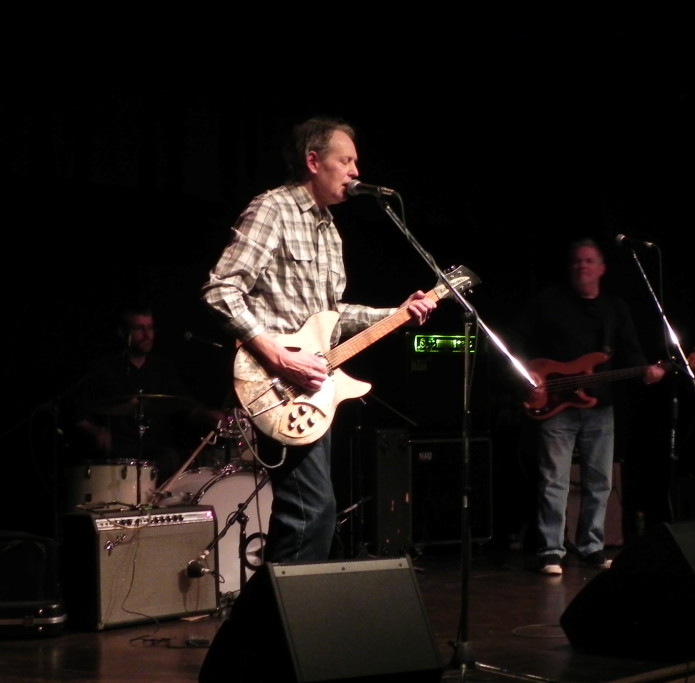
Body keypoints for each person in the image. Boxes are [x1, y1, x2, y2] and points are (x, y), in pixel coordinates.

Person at [199, 115, 436, 566]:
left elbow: (333, 315)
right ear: (313, 161)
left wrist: (397, 314)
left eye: (356, 163)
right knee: (311, 513)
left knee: (309, 515)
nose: (355, 172)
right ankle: (280, 610)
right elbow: (221, 290)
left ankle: (272, 609)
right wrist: (277, 356)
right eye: (345, 161)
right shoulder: (272, 209)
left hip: (311, 390)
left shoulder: (330, 230)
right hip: (275, 382)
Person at [514, 238, 665, 575]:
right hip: (555, 403)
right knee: (554, 479)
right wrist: (528, 375)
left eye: (589, 261)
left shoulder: (615, 308)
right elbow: (516, 340)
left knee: (600, 480)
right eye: (576, 260)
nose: (582, 266)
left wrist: (648, 371)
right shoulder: (548, 301)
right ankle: (551, 551)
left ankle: (591, 546)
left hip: (600, 406)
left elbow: (630, 349)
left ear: (602, 269)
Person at [69, 304, 222, 493]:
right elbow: (76, 412)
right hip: (118, 451)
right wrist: (96, 431)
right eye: (139, 329)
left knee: (172, 458)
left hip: (158, 451)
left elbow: (185, 405)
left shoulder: (162, 368)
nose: (147, 335)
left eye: (150, 328)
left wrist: (207, 414)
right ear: (123, 332)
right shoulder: (104, 369)